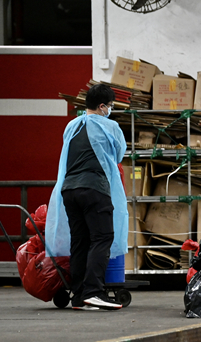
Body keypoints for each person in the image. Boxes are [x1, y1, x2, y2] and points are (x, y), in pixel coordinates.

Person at [45, 84, 128, 311]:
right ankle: (94, 292)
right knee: (102, 238)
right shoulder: (110, 126)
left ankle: (80, 294)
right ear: (102, 106)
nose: (110, 110)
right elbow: (119, 153)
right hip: (94, 189)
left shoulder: (71, 125)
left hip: (69, 190)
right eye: (110, 106)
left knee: (80, 241)